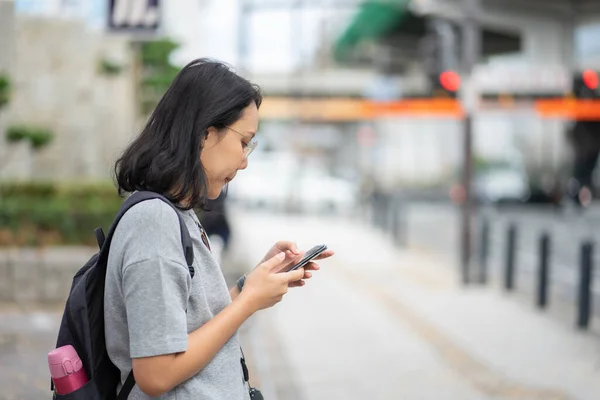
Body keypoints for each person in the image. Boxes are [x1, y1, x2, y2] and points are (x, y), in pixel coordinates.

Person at [104, 58, 334, 399]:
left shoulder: (177, 212)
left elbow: (188, 326)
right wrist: (248, 303)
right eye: (244, 142)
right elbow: (155, 372)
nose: (244, 160)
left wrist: (248, 288)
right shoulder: (153, 223)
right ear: (205, 134)